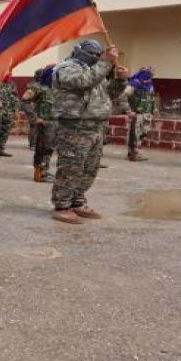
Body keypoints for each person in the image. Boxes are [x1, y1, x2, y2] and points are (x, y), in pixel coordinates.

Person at [50, 40, 130, 224]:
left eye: (98, 55)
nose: (96, 58)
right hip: (75, 126)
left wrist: (120, 80)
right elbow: (82, 82)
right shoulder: (67, 67)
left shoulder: (96, 70)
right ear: (80, 52)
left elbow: (110, 94)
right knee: (71, 168)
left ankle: (77, 201)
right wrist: (106, 63)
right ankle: (62, 205)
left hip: (96, 126)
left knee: (89, 169)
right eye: (94, 55)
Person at [21, 66, 57, 182]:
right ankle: (39, 174)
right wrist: (35, 117)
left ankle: (44, 170)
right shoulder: (38, 87)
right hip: (43, 124)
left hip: (54, 123)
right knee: (42, 148)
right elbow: (24, 101)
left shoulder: (56, 88)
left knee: (49, 148)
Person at [127, 67, 156, 162]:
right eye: (146, 72)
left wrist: (153, 112)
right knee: (134, 134)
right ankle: (133, 153)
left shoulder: (150, 85)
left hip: (146, 114)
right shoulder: (133, 84)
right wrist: (128, 110)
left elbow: (152, 100)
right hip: (136, 114)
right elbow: (123, 97)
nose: (148, 75)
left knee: (143, 134)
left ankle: (136, 151)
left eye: (150, 72)